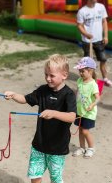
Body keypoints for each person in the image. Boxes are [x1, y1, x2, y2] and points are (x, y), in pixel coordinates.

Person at [5, 54, 76, 183]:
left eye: (52, 75)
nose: (48, 79)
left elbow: (72, 117)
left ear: (64, 75)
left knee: (56, 178)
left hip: (57, 147)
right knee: (35, 175)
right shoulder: (43, 90)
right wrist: (14, 95)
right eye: (46, 75)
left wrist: (54, 113)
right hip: (39, 144)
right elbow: (25, 99)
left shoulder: (68, 94)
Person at [77, 0, 112, 88]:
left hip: (99, 40)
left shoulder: (101, 7)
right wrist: (86, 34)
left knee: (103, 59)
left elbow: (104, 22)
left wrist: (106, 36)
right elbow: (79, 26)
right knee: (88, 63)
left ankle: (105, 79)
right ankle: (88, 81)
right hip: (87, 41)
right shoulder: (82, 11)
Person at [72, 57, 100, 158]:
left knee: (85, 131)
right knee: (80, 129)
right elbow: (78, 92)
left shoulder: (93, 85)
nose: (80, 73)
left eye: (82, 71)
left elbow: (97, 98)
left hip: (89, 113)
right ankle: (82, 148)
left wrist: (92, 105)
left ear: (90, 71)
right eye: (79, 71)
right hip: (80, 111)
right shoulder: (80, 80)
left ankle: (91, 148)